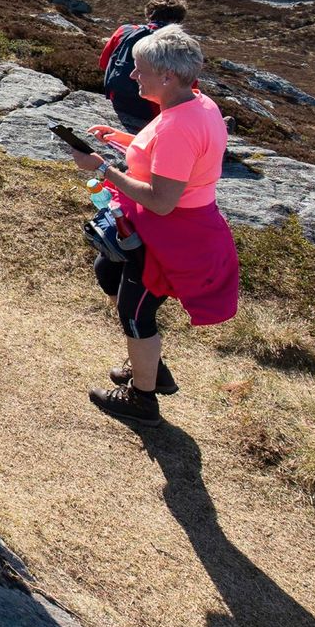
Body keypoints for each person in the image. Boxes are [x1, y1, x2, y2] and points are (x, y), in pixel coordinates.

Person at [70, 25, 240, 427]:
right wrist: (123, 140)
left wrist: (104, 169)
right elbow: (167, 154)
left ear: (166, 76)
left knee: (135, 313)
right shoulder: (196, 104)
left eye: (139, 69)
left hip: (170, 237)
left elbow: (163, 201)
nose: (131, 76)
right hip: (160, 229)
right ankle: (148, 365)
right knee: (107, 272)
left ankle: (142, 399)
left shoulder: (179, 125)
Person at [99, 0, 188, 132]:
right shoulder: (179, 43)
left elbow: (104, 63)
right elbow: (186, 84)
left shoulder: (124, 31)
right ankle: (218, 126)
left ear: (149, 13)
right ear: (179, 19)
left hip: (117, 98)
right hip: (152, 110)